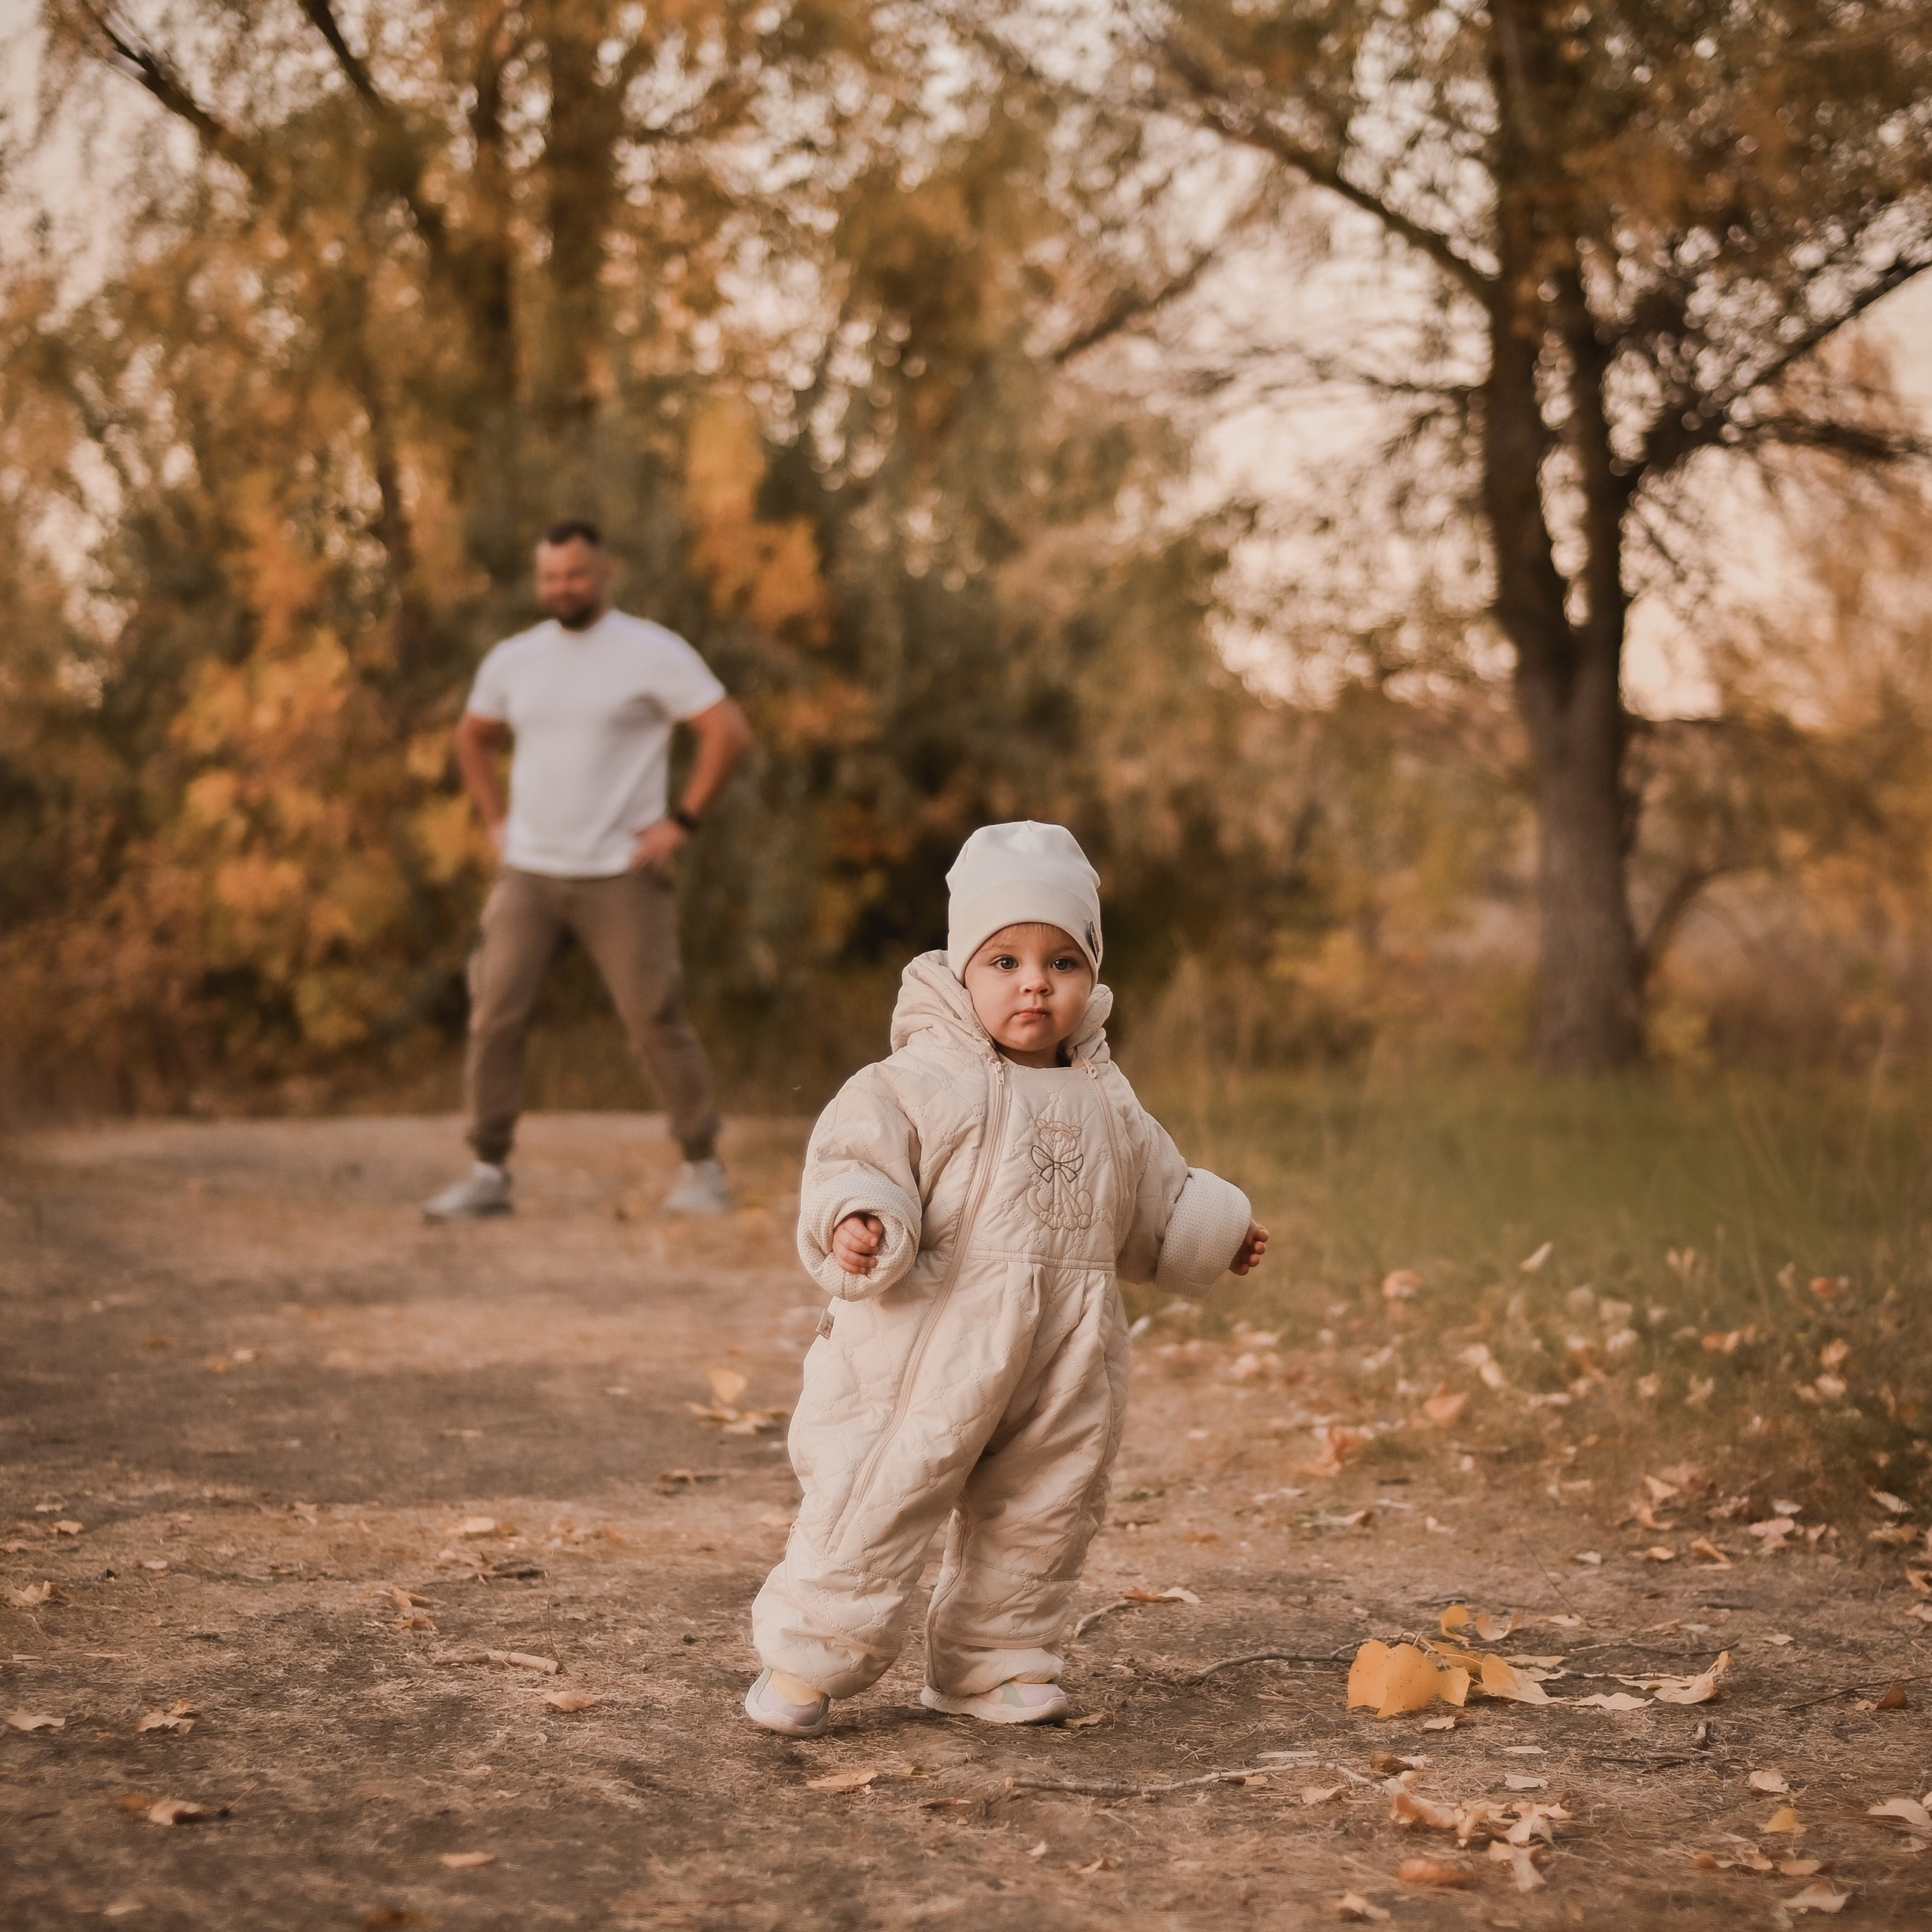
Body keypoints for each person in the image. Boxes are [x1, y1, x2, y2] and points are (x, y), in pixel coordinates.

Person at [743, 821, 1266, 1735]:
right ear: (962, 970)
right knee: (878, 1491)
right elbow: (855, 1155)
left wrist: (1210, 1230)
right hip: (925, 1347)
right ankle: (808, 1658)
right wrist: (859, 1217)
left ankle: (992, 1660)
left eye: (1063, 962)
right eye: (1005, 960)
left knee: (1045, 1505)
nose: (1035, 983)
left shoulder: (1107, 1096)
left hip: (1064, 1352)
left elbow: (1152, 1194)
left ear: (1090, 975)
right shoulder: (913, 1080)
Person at [422, 521, 752, 1222]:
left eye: (574, 574)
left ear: (603, 573)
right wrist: (494, 822)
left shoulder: (652, 652)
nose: (561, 588)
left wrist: (681, 823)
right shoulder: (515, 659)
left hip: (619, 872)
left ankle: (703, 1167)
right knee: (494, 1016)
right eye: (550, 576)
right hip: (529, 872)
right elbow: (472, 737)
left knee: (655, 1015)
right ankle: (487, 1172)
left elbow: (727, 732)